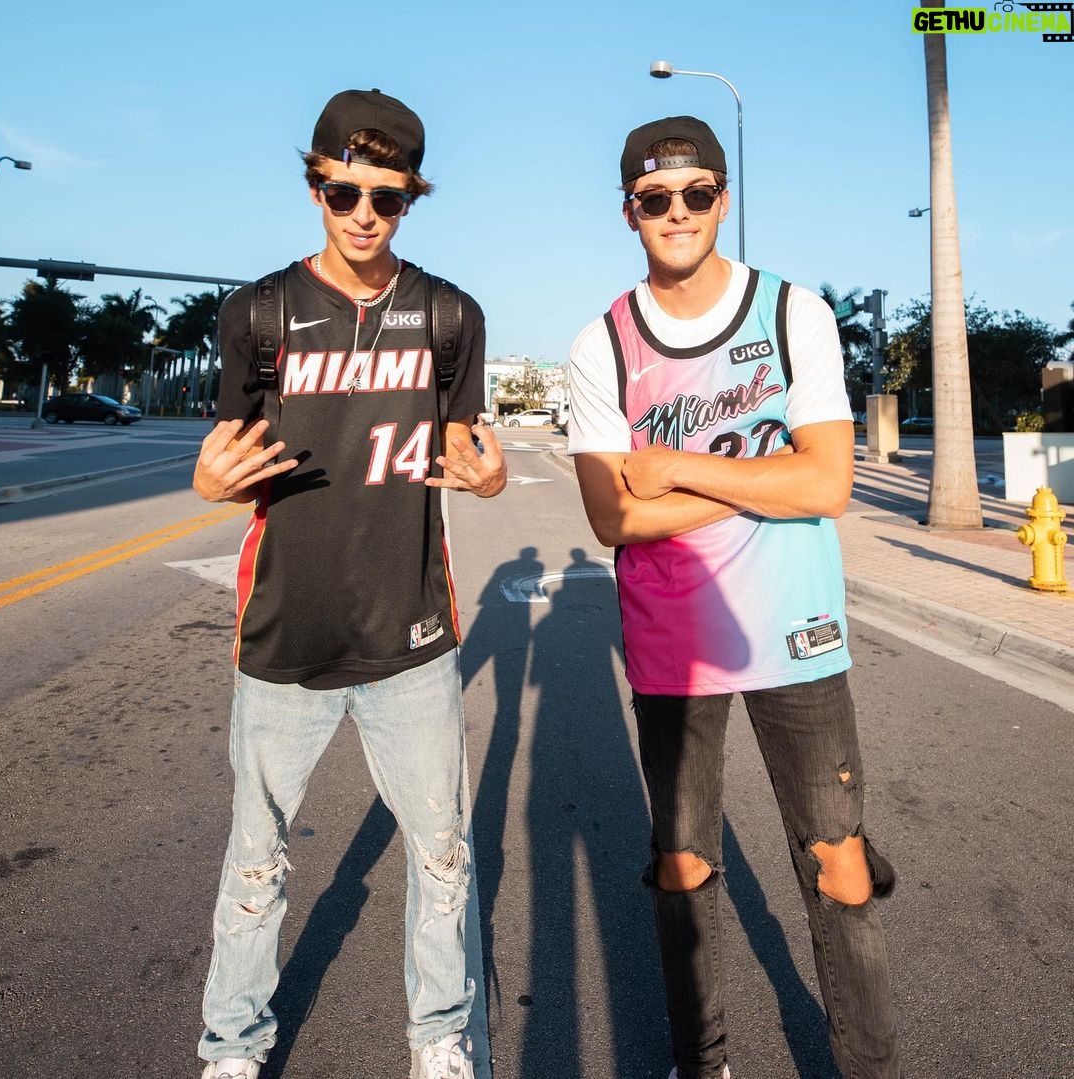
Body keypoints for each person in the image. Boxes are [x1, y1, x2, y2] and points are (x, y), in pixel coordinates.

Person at [567, 115, 902, 1079]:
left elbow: (827, 483)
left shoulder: (793, 314)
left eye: (696, 193)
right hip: (674, 643)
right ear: (629, 212)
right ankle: (700, 1058)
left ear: (723, 197)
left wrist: (675, 467)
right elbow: (611, 517)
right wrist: (764, 474)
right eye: (655, 198)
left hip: (798, 630)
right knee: (683, 867)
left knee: (840, 863)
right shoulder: (602, 343)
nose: (677, 212)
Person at [192, 88, 506, 1079]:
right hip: (283, 633)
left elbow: (469, 453)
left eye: (388, 196)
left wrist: (489, 476)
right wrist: (208, 482)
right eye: (344, 192)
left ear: (411, 197)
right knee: (255, 856)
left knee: (443, 855)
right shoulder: (259, 313)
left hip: (410, 638)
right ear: (315, 187)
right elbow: (224, 456)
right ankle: (232, 1045)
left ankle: (439, 1037)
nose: (365, 214)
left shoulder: (449, 315)